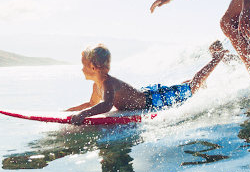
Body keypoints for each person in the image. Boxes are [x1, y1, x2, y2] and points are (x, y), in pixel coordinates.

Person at [66, 42, 227, 125]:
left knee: (192, 86)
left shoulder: (108, 83)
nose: (81, 69)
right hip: (143, 93)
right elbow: (92, 103)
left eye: (83, 65)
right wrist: (69, 111)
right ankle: (191, 80)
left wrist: (83, 115)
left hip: (152, 100)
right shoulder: (97, 86)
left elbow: (106, 105)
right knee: (182, 87)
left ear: (93, 67)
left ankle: (216, 58)